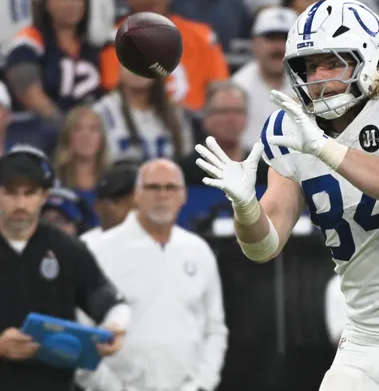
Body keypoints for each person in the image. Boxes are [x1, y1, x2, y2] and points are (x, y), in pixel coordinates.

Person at [196, 0, 379, 391]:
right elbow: (263, 247)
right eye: (309, 66)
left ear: (370, 58)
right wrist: (245, 207)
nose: (318, 77)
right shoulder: (290, 128)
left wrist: (325, 148)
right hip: (361, 342)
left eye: (332, 63)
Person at [80, 159, 228, 391]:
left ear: (184, 196)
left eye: (170, 188)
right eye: (152, 188)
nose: (162, 195)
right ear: (137, 196)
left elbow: (214, 328)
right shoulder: (96, 249)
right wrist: (110, 388)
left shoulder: (198, 250)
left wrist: (201, 385)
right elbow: (79, 330)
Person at [0, 145, 128, 391]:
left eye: (29, 193)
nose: (20, 203)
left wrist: (114, 327)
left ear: (44, 196)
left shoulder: (67, 248)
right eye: (11, 193)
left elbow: (109, 301)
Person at [79, 163, 137, 244]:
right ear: (97, 206)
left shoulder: (156, 245)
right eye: (117, 201)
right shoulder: (86, 245)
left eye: (137, 205)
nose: (130, 210)